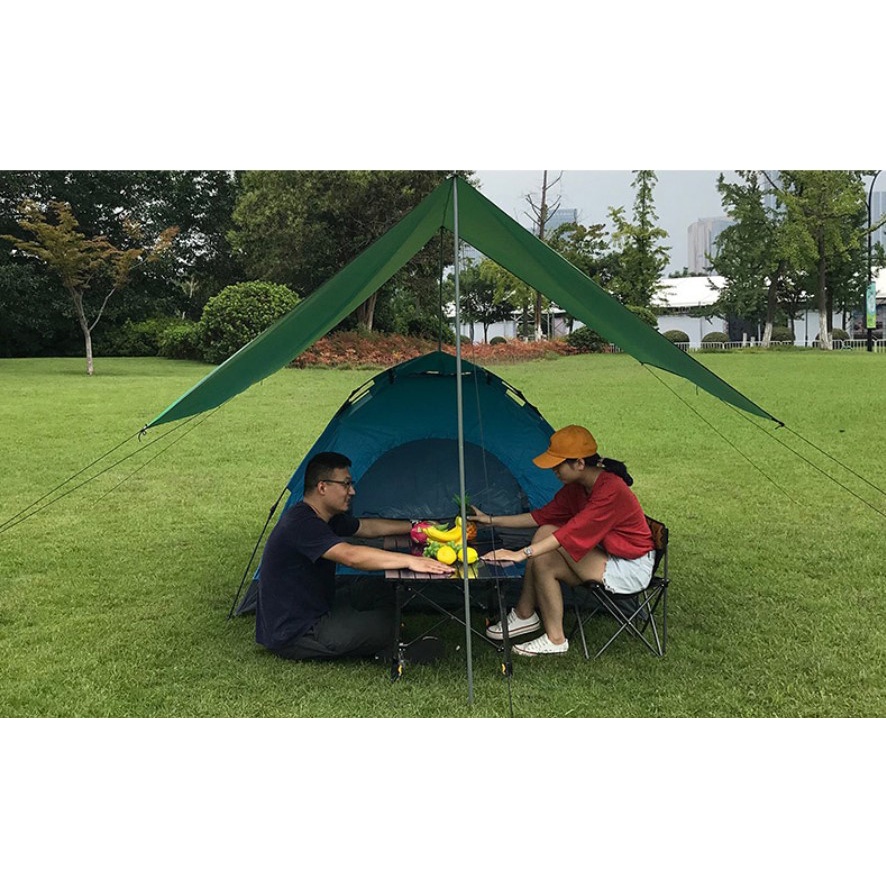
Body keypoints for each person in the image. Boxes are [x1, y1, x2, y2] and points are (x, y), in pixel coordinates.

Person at [469, 425, 654, 657]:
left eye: (558, 465)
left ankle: (528, 616)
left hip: (630, 567)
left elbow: (569, 533)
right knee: (544, 556)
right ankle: (548, 633)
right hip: (605, 555)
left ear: (579, 463)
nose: (554, 471)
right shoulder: (578, 487)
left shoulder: (610, 490)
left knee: (548, 536)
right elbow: (540, 516)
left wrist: (520, 554)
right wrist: (490, 520)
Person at [256, 451, 454, 661]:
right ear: (322, 487)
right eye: (346, 484)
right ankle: (389, 647)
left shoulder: (326, 517)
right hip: (297, 631)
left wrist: (417, 527)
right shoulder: (301, 523)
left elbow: (367, 527)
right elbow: (350, 555)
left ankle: (377, 636)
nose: (352, 491)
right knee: (387, 624)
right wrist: (411, 560)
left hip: (321, 604)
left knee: (382, 588)